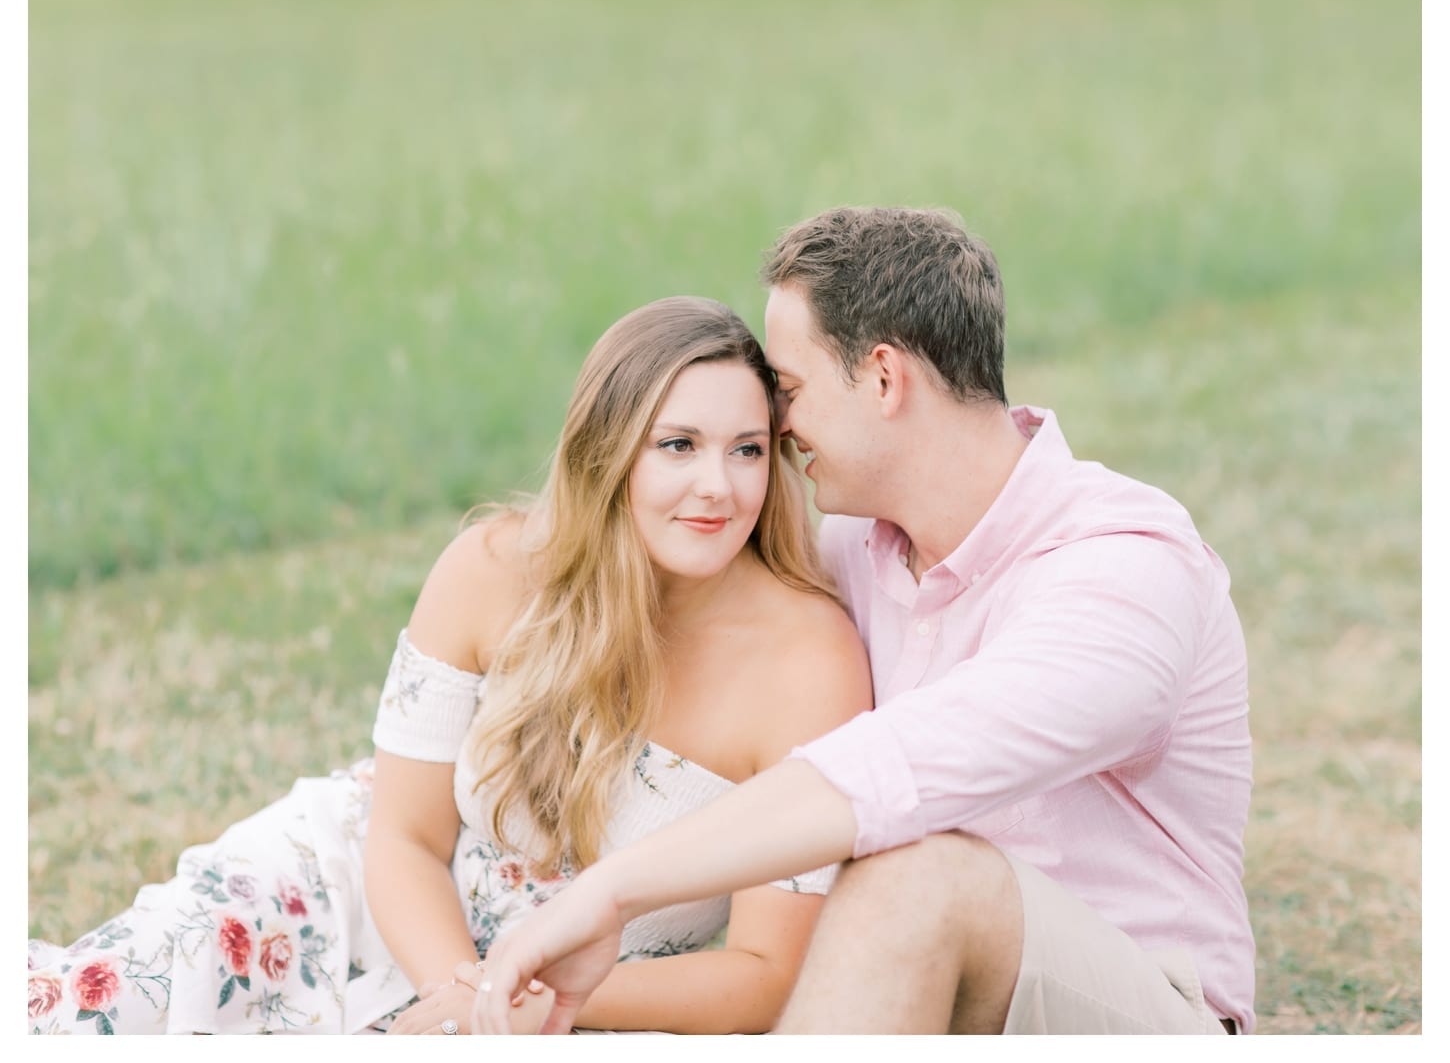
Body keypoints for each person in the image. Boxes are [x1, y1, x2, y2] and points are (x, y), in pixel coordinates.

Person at [469, 206, 1257, 1036]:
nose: (777, 426)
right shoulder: (851, 550)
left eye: (792, 389)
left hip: (1139, 1014)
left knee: (918, 875)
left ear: (884, 378)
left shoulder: (1124, 566)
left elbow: (903, 768)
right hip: (904, 998)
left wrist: (612, 892)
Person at [26, 296, 873, 1035]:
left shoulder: (809, 661)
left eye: (748, 450)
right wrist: (459, 996)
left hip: (590, 1005)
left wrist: (521, 1006)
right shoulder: (493, 571)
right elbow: (403, 837)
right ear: (608, 454)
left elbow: (764, 973)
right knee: (87, 1009)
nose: (717, 487)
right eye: (678, 445)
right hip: (355, 902)